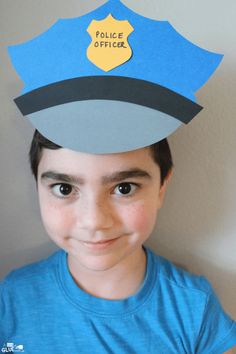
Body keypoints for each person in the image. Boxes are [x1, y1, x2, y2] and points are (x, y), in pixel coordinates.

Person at [1, 0, 236, 352]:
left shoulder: (194, 310)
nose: (94, 221)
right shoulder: (10, 302)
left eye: (124, 188)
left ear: (162, 186)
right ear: (37, 184)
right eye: (64, 187)